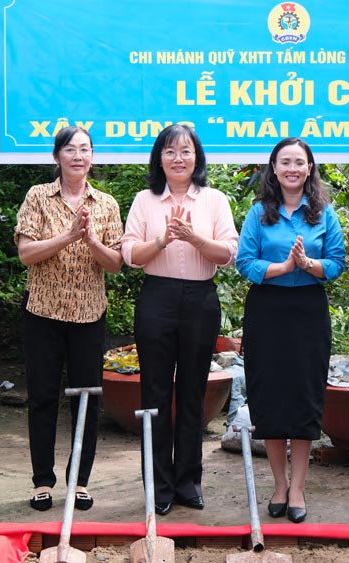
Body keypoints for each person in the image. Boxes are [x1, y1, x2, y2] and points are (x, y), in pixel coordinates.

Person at [121, 124, 239, 516]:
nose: (178, 158)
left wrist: (192, 238)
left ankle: (188, 482)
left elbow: (228, 253)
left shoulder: (214, 200)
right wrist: (163, 240)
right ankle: (159, 486)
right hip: (157, 297)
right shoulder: (144, 200)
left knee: (193, 392)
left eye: (185, 151)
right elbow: (130, 255)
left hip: (200, 299)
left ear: (197, 157)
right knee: (155, 393)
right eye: (169, 151)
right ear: (159, 158)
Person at [14, 126, 124, 512]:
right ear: (57, 156)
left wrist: (91, 240)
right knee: (42, 397)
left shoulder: (106, 204)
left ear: (92, 156)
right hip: (43, 312)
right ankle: (43, 481)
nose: (78, 156)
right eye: (70, 149)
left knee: (88, 399)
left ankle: (79, 482)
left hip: (89, 314)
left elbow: (116, 264)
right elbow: (27, 254)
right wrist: (68, 235)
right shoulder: (37, 197)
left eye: (85, 149)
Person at [236, 137, 345, 523]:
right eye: (285, 162)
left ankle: (298, 487)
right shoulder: (258, 213)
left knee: (303, 397)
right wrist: (281, 268)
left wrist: (308, 264)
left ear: (310, 168)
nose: (293, 168)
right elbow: (243, 262)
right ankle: (278, 484)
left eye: (300, 162)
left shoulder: (323, 214)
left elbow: (336, 263)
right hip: (267, 312)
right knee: (270, 396)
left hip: (308, 312)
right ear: (274, 168)